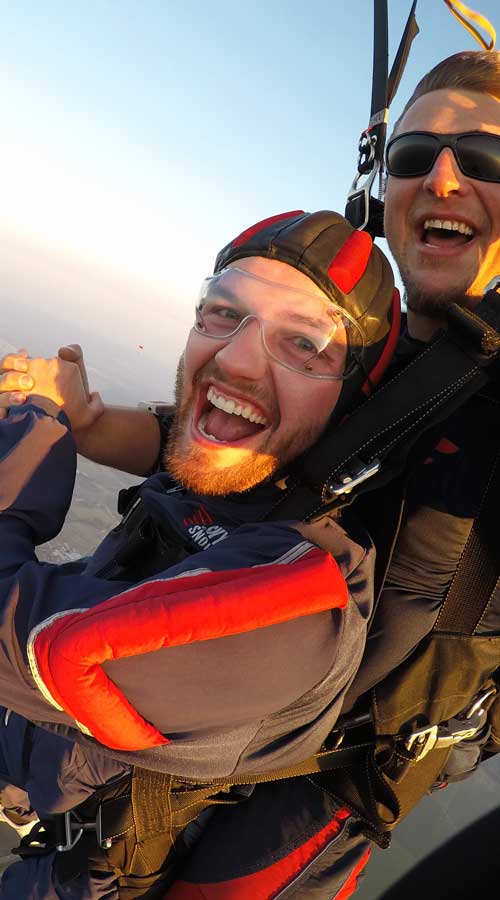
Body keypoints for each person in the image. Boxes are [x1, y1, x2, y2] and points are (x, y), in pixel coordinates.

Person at [4, 48, 500, 900]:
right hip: (203, 691)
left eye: (486, 159)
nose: (444, 179)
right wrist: (87, 424)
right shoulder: (380, 348)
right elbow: (231, 437)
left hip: (331, 763)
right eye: (416, 157)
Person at [0, 209, 400, 898]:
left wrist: (34, 419)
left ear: (353, 395)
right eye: (222, 312)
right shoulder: (262, 480)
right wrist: (89, 422)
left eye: (305, 343)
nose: (237, 358)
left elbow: (33, 641)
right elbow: (180, 443)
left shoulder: (296, 602)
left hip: (79, 876)